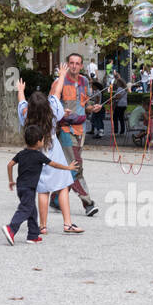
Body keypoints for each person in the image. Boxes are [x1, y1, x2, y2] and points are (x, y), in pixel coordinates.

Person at [18, 66, 84, 236]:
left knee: (43, 190)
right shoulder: (53, 111)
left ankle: (43, 226)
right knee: (62, 186)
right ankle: (67, 224)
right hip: (54, 151)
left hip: (36, 153)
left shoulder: (26, 115)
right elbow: (57, 94)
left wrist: (20, 90)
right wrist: (61, 75)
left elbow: (21, 103)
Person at [3, 124, 77, 245]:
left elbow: (9, 165)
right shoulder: (39, 156)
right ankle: (11, 228)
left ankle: (33, 235)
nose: (43, 142)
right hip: (29, 189)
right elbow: (54, 164)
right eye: (42, 140)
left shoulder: (21, 154)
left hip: (21, 187)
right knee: (25, 209)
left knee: (32, 211)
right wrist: (68, 167)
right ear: (38, 142)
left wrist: (11, 180)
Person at [56, 53, 98, 216]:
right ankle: (88, 203)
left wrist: (92, 108)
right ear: (67, 64)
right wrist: (60, 112)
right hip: (66, 130)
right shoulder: (59, 81)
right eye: (71, 63)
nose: (74, 66)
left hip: (81, 130)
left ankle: (54, 198)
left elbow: (84, 104)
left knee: (69, 166)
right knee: (75, 167)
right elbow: (51, 104)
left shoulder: (84, 81)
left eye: (77, 63)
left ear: (81, 66)